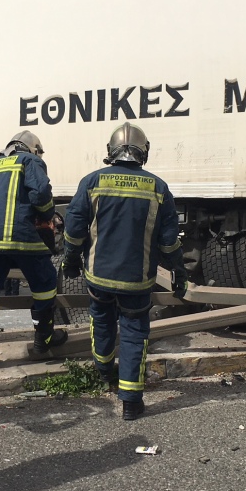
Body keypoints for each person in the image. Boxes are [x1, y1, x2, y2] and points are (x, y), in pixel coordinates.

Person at [61, 122, 188, 421]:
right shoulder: (157, 187)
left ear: (110, 150)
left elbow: (74, 228)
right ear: (144, 152)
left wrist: (70, 259)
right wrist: (178, 272)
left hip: (99, 278)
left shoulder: (92, 182)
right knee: (134, 333)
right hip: (137, 280)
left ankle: (105, 371)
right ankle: (131, 401)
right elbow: (169, 242)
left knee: (102, 321)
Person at [0, 130, 68, 373]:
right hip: (21, 237)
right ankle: (43, 339)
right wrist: (46, 215)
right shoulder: (29, 161)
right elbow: (41, 193)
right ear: (32, 149)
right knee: (45, 281)